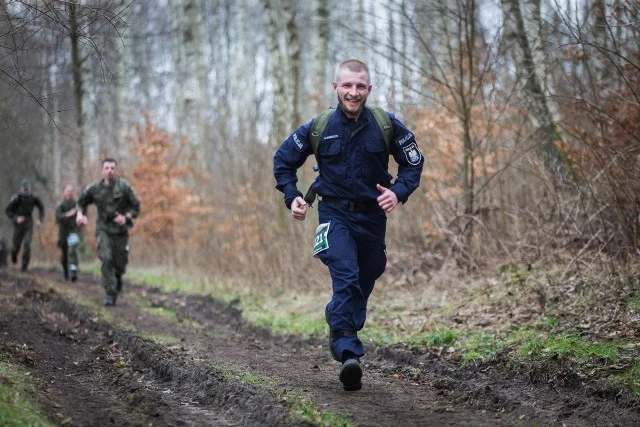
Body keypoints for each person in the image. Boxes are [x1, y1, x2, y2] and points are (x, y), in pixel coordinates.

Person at [273, 59, 424, 391]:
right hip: (333, 215)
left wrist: (398, 192)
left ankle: (338, 321)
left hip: (372, 217)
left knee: (369, 271)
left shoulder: (386, 125)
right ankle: (347, 350)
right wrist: (293, 196)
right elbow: (283, 161)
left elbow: (413, 162)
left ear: (368, 89)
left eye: (360, 86)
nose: (353, 92)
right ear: (335, 88)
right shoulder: (319, 126)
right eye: (347, 86)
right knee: (346, 273)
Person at [76, 158, 140, 306]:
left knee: (120, 263)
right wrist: (80, 214)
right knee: (106, 258)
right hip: (103, 228)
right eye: (106, 168)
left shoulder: (124, 187)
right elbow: (81, 202)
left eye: (112, 168)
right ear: (102, 171)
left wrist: (126, 217)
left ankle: (118, 277)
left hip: (120, 230)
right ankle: (110, 293)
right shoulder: (95, 188)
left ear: (115, 170)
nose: (109, 170)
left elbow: (135, 206)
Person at [5, 179, 45, 272]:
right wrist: (16, 218)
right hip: (18, 223)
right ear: (21, 189)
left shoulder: (33, 198)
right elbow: (8, 211)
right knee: (16, 246)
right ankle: (14, 255)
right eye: (24, 190)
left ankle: (24, 266)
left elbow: (41, 208)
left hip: (28, 221)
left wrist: (40, 219)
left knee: (27, 243)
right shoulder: (16, 199)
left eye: (27, 190)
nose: (26, 191)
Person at [55, 184, 81, 281]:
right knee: (64, 254)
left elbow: (82, 213)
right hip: (63, 232)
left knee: (72, 250)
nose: (69, 193)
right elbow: (58, 217)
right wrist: (67, 214)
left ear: (73, 193)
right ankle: (66, 272)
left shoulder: (77, 204)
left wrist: (81, 218)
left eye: (71, 191)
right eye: (67, 191)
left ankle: (73, 272)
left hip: (73, 230)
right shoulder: (60, 205)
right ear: (64, 193)